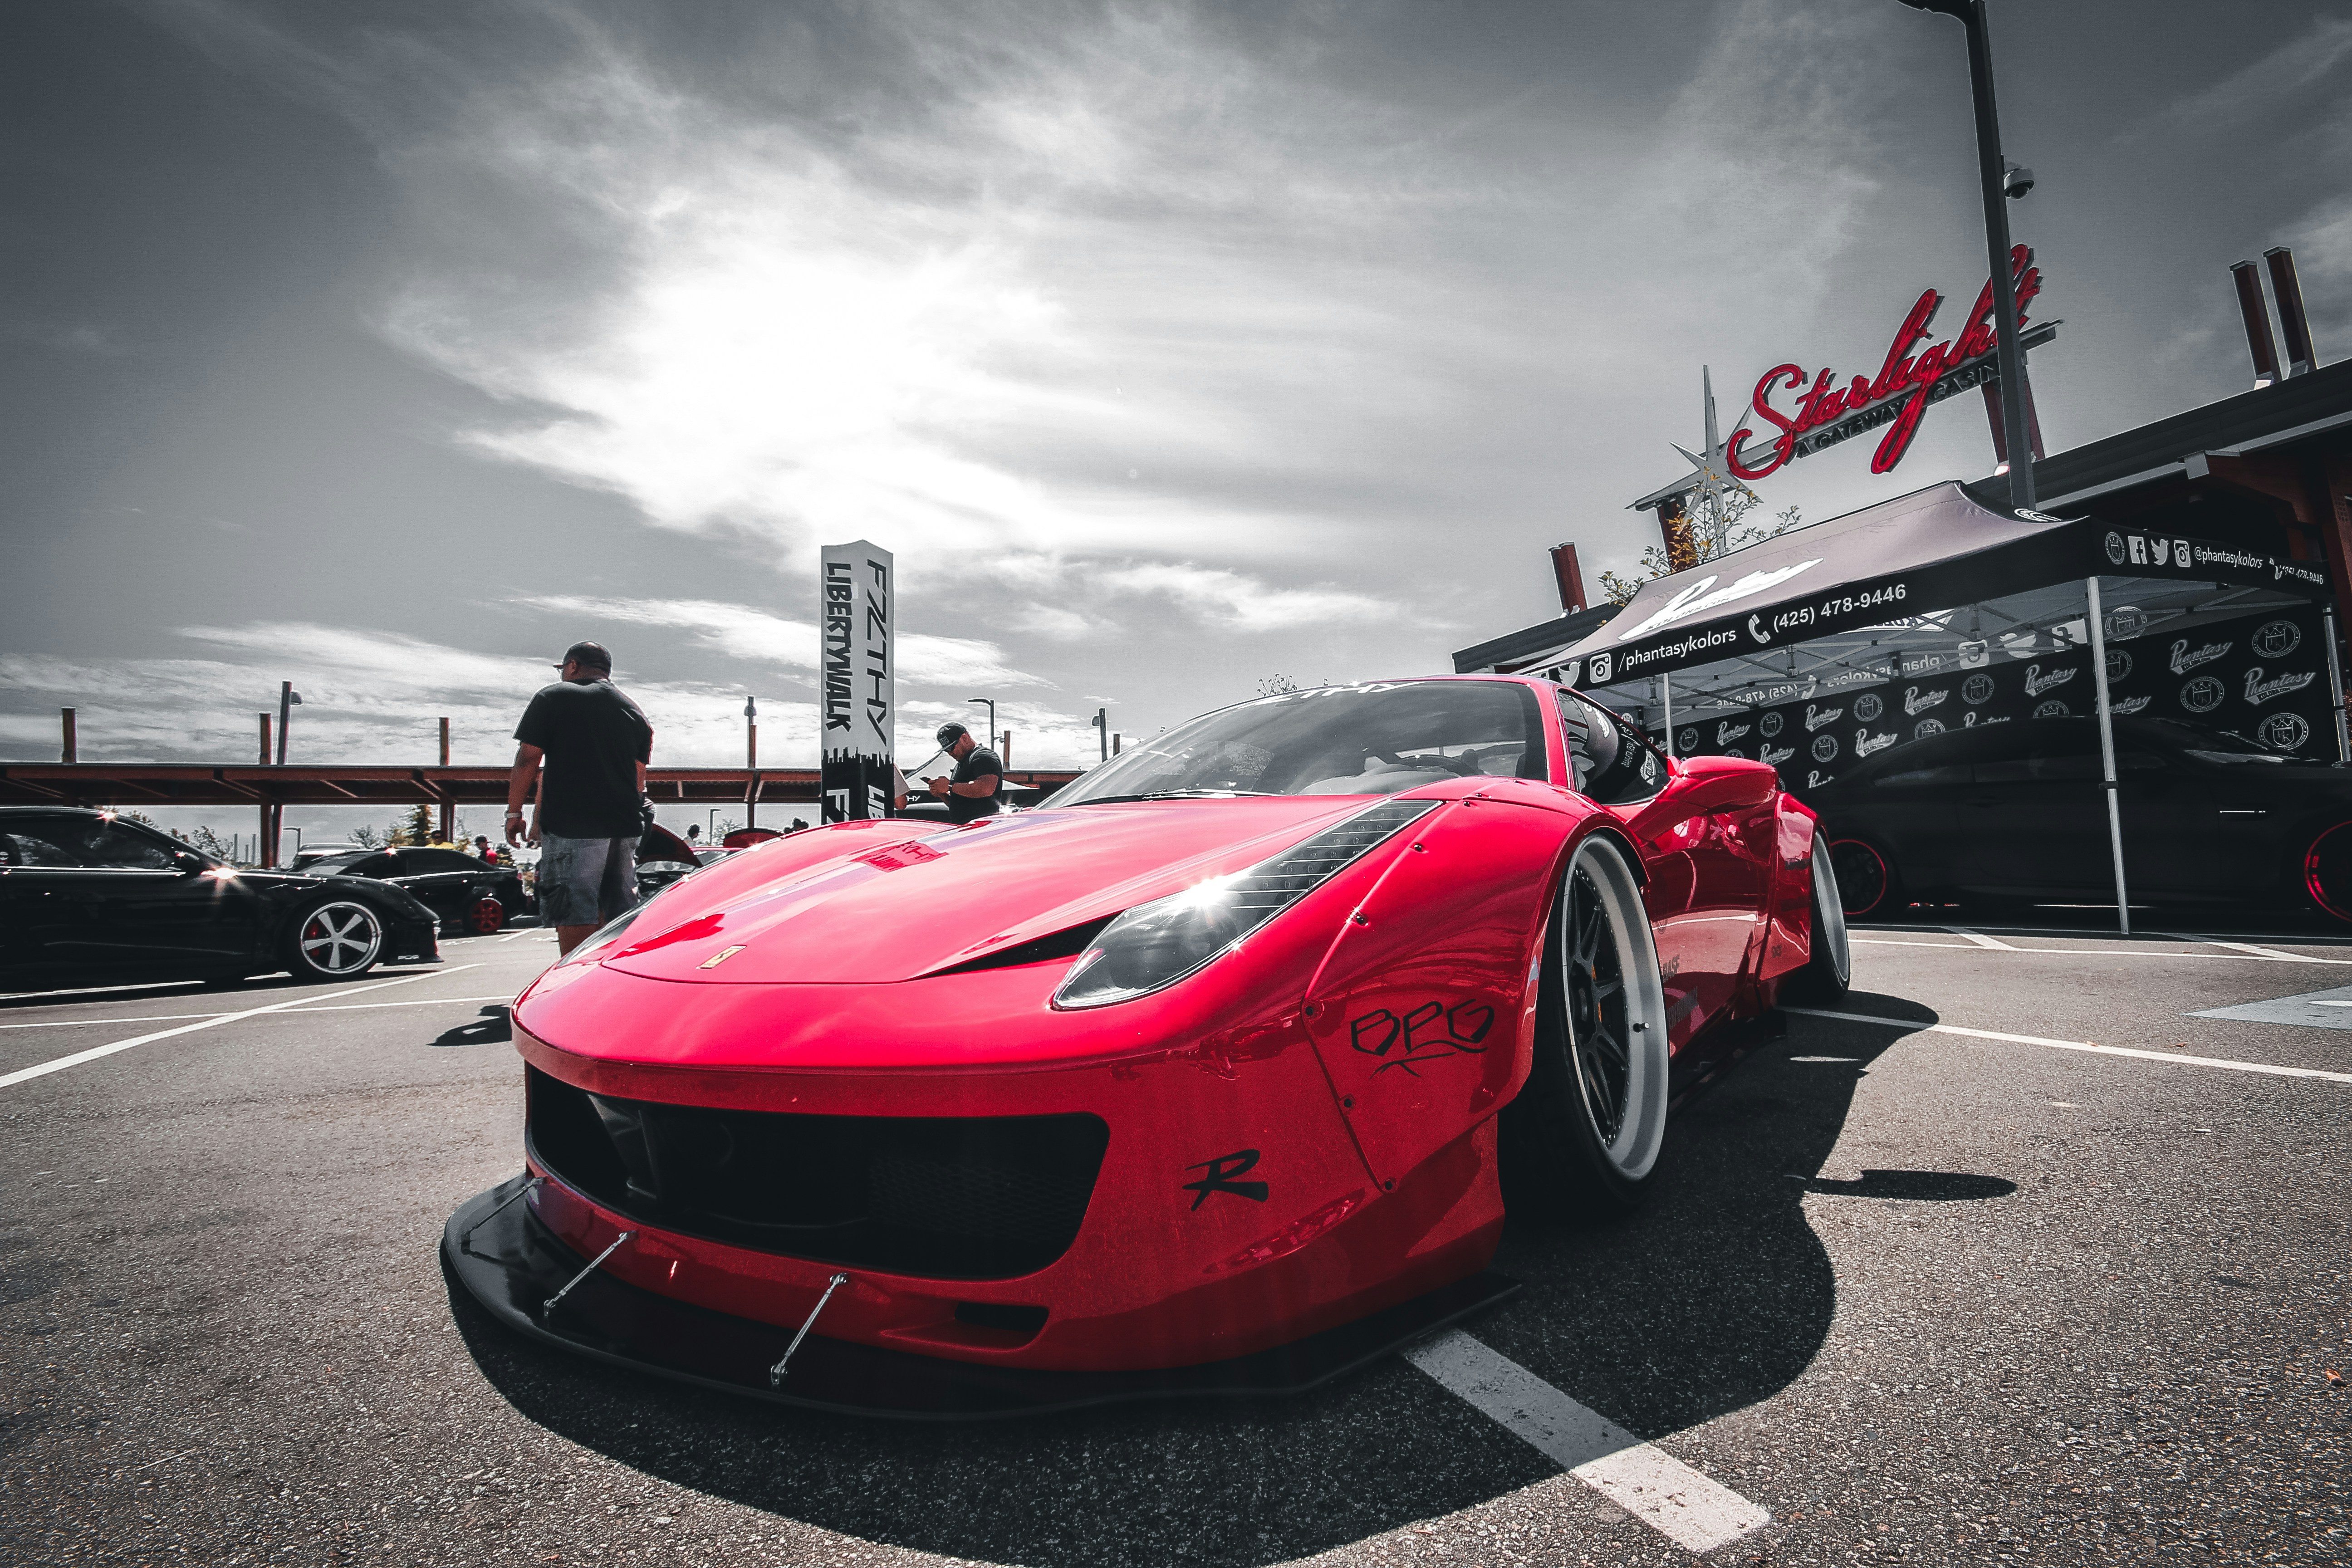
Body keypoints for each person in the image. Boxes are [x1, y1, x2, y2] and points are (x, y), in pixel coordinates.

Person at [506, 640, 654, 957]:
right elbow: (638, 779)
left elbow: (528, 760)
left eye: (564, 670)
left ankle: (572, 989)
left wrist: (514, 812)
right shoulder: (634, 712)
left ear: (572, 665)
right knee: (620, 911)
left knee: (573, 907)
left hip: (574, 824)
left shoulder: (554, 697)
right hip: (624, 826)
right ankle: (616, 988)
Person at [925, 722, 1004, 822]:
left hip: (980, 828)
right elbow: (960, 805)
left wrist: (949, 786)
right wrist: (942, 794)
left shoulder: (984, 756)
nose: (950, 753)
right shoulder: (960, 765)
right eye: (946, 750)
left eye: (951, 747)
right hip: (965, 828)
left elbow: (986, 789)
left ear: (965, 738)